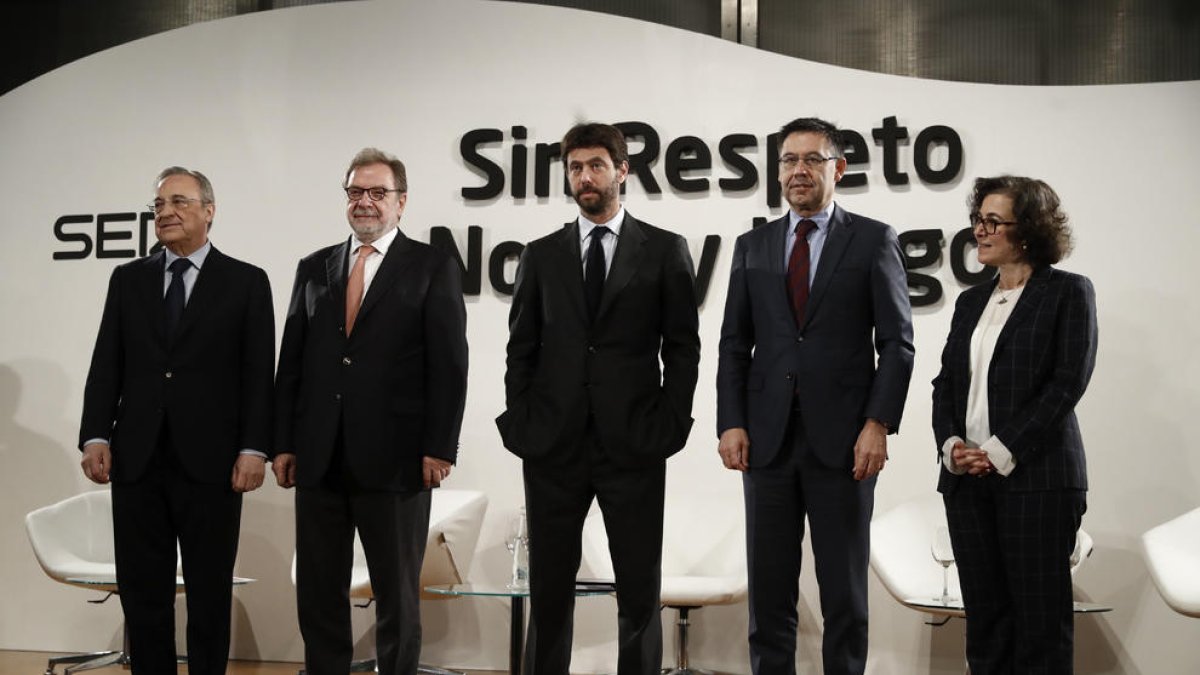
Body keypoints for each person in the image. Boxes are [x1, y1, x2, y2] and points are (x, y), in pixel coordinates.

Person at [496, 122, 700, 674]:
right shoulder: (540, 255)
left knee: (638, 590)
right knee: (550, 591)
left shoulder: (664, 250)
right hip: (553, 446)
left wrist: (670, 423)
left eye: (596, 165)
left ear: (622, 171)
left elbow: (683, 348)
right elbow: (521, 350)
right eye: (575, 167)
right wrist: (524, 421)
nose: (585, 177)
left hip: (633, 444)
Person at [715, 117, 914, 675]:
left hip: (846, 444)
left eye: (811, 160)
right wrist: (730, 421)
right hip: (767, 443)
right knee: (769, 598)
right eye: (788, 161)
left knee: (845, 596)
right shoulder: (753, 245)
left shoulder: (874, 239)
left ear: (839, 169)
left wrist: (878, 424)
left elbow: (897, 343)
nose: (798, 171)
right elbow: (735, 342)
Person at [273, 147, 468, 675]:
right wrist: (284, 442)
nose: (365, 202)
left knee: (397, 594)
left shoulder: (433, 265)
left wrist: (439, 446)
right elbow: (291, 362)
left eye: (377, 193)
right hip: (319, 457)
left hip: (398, 459)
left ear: (401, 203)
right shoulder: (314, 267)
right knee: (318, 592)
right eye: (356, 192)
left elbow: (450, 365)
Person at [78, 166, 275, 675]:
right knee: (144, 593)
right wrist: (96, 434)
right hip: (137, 459)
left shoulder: (247, 282)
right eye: (159, 204)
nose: (165, 212)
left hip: (213, 463)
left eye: (179, 202)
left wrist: (255, 448)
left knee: (209, 593)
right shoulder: (128, 279)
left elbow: (258, 376)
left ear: (209, 212)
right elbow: (107, 365)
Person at [932, 175, 1097, 674]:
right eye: (977, 220)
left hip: (1038, 482)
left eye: (992, 222)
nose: (979, 231)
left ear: (1026, 231)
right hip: (967, 484)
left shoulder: (1068, 292)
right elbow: (946, 385)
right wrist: (952, 444)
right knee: (986, 625)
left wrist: (1002, 449)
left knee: (1039, 628)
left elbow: (1067, 384)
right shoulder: (969, 302)